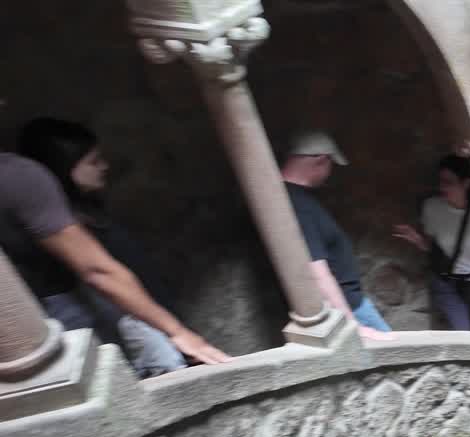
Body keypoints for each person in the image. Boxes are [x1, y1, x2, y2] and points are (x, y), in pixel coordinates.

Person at [0, 150, 229, 368]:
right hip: (57, 313)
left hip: (45, 318)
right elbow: (97, 271)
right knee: (158, 362)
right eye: (93, 160)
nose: (105, 166)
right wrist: (177, 332)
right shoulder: (16, 177)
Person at [17, 117, 188, 378]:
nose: (104, 167)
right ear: (63, 167)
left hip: (151, 320)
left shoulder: (88, 213)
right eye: (93, 161)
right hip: (136, 330)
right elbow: (102, 280)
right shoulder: (65, 232)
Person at [281, 131, 392, 340]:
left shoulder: (290, 197)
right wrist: (352, 325)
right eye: (330, 165)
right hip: (348, 311)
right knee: (395, 359)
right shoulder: (297, 205)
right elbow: (317, 271)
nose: (329, 173)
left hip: (347, 306)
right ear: (321, 160)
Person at [393, 155, 470, 331]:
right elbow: (433, 249)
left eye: (449, 182)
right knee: (464, 333)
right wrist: (417, 240)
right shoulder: (432, 208)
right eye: (441, 181)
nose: (442, 187)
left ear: (466, 184)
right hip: (446, 282)